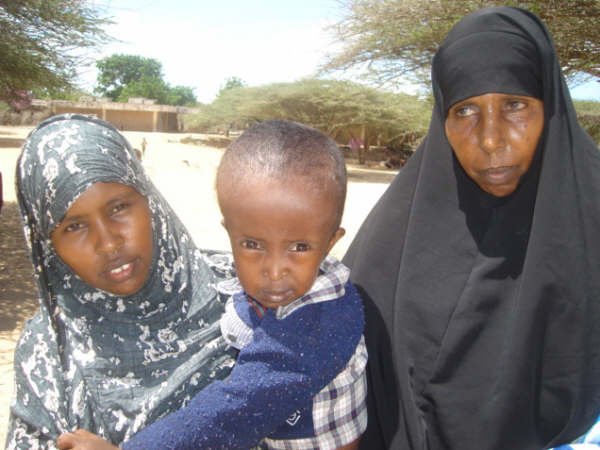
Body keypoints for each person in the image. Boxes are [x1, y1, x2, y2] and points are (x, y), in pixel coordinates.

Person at [343, 6, 600, 450]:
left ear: (550, 106)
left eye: (515, 105)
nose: (490, 139)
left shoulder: (590, 218)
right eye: (465, 111)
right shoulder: (392, 240)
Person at [57, 119, 368, 450]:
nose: (275, 271)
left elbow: (234, 410)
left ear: (331, 242)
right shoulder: (252, 284)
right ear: (229, 233)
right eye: (252, 245)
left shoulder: (321, 320)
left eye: (300, 247)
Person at [6, 113, 237, 449]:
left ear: (149, 201)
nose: (108, 243)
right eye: (74, 226)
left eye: (118, 208)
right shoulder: (49, 348)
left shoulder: (241, 295)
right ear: (48, 245)